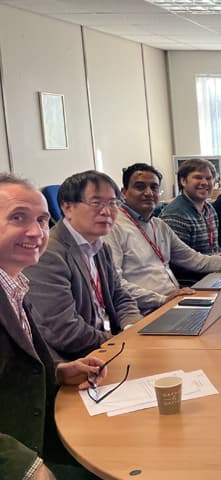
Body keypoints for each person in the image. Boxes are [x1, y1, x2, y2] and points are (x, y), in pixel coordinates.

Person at [0, 173, 106, 480]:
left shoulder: (16, 284)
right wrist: (22, 466)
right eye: (18, 218)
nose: (36, 232)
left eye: (43, 220)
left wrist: (58, 371)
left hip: (40, 437)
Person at [24, 171, 142, 360]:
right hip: (74, 361)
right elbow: (64, 330)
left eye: (113, 204)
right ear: (67, 208)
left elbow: (120, 297)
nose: (106, 212)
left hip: (105, 345)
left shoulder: (101, 247)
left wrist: (133, 330)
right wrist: (117, 343)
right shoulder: (48, 254)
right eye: (96, 203)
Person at [106, 164, 221, 314]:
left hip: (173, 302)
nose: (148, 193)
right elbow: (115, 284)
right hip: (143, 311)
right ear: (124, 193)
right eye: (140, 187)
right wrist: (161, 299)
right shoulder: (113, 228)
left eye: (154, 187)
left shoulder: (159, 226)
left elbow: (196, 260)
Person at [160, 158, 221, 255]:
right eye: (198, 177)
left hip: (213, 266)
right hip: (198, 269)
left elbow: (213, 248)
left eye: (208, 178)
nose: (205, 183)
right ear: (183, 181)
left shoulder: (209, 209)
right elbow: (178, 261)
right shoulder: (175, 215)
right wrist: (218, 261)